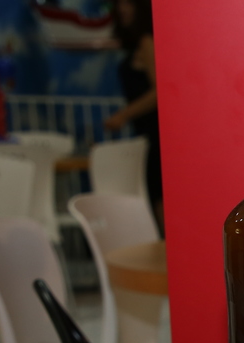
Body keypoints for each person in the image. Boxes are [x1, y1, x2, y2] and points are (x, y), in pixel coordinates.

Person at [104, 0, 163, 227]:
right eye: (120, 3)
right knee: (152, 196)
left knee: (158, 197)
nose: (123, 8)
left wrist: (123, 115)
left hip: (155, 134)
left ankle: (165, 245)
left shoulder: (147, 42)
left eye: (129, 3)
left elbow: (159, 92)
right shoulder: (135, 43)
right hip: (145, 133)